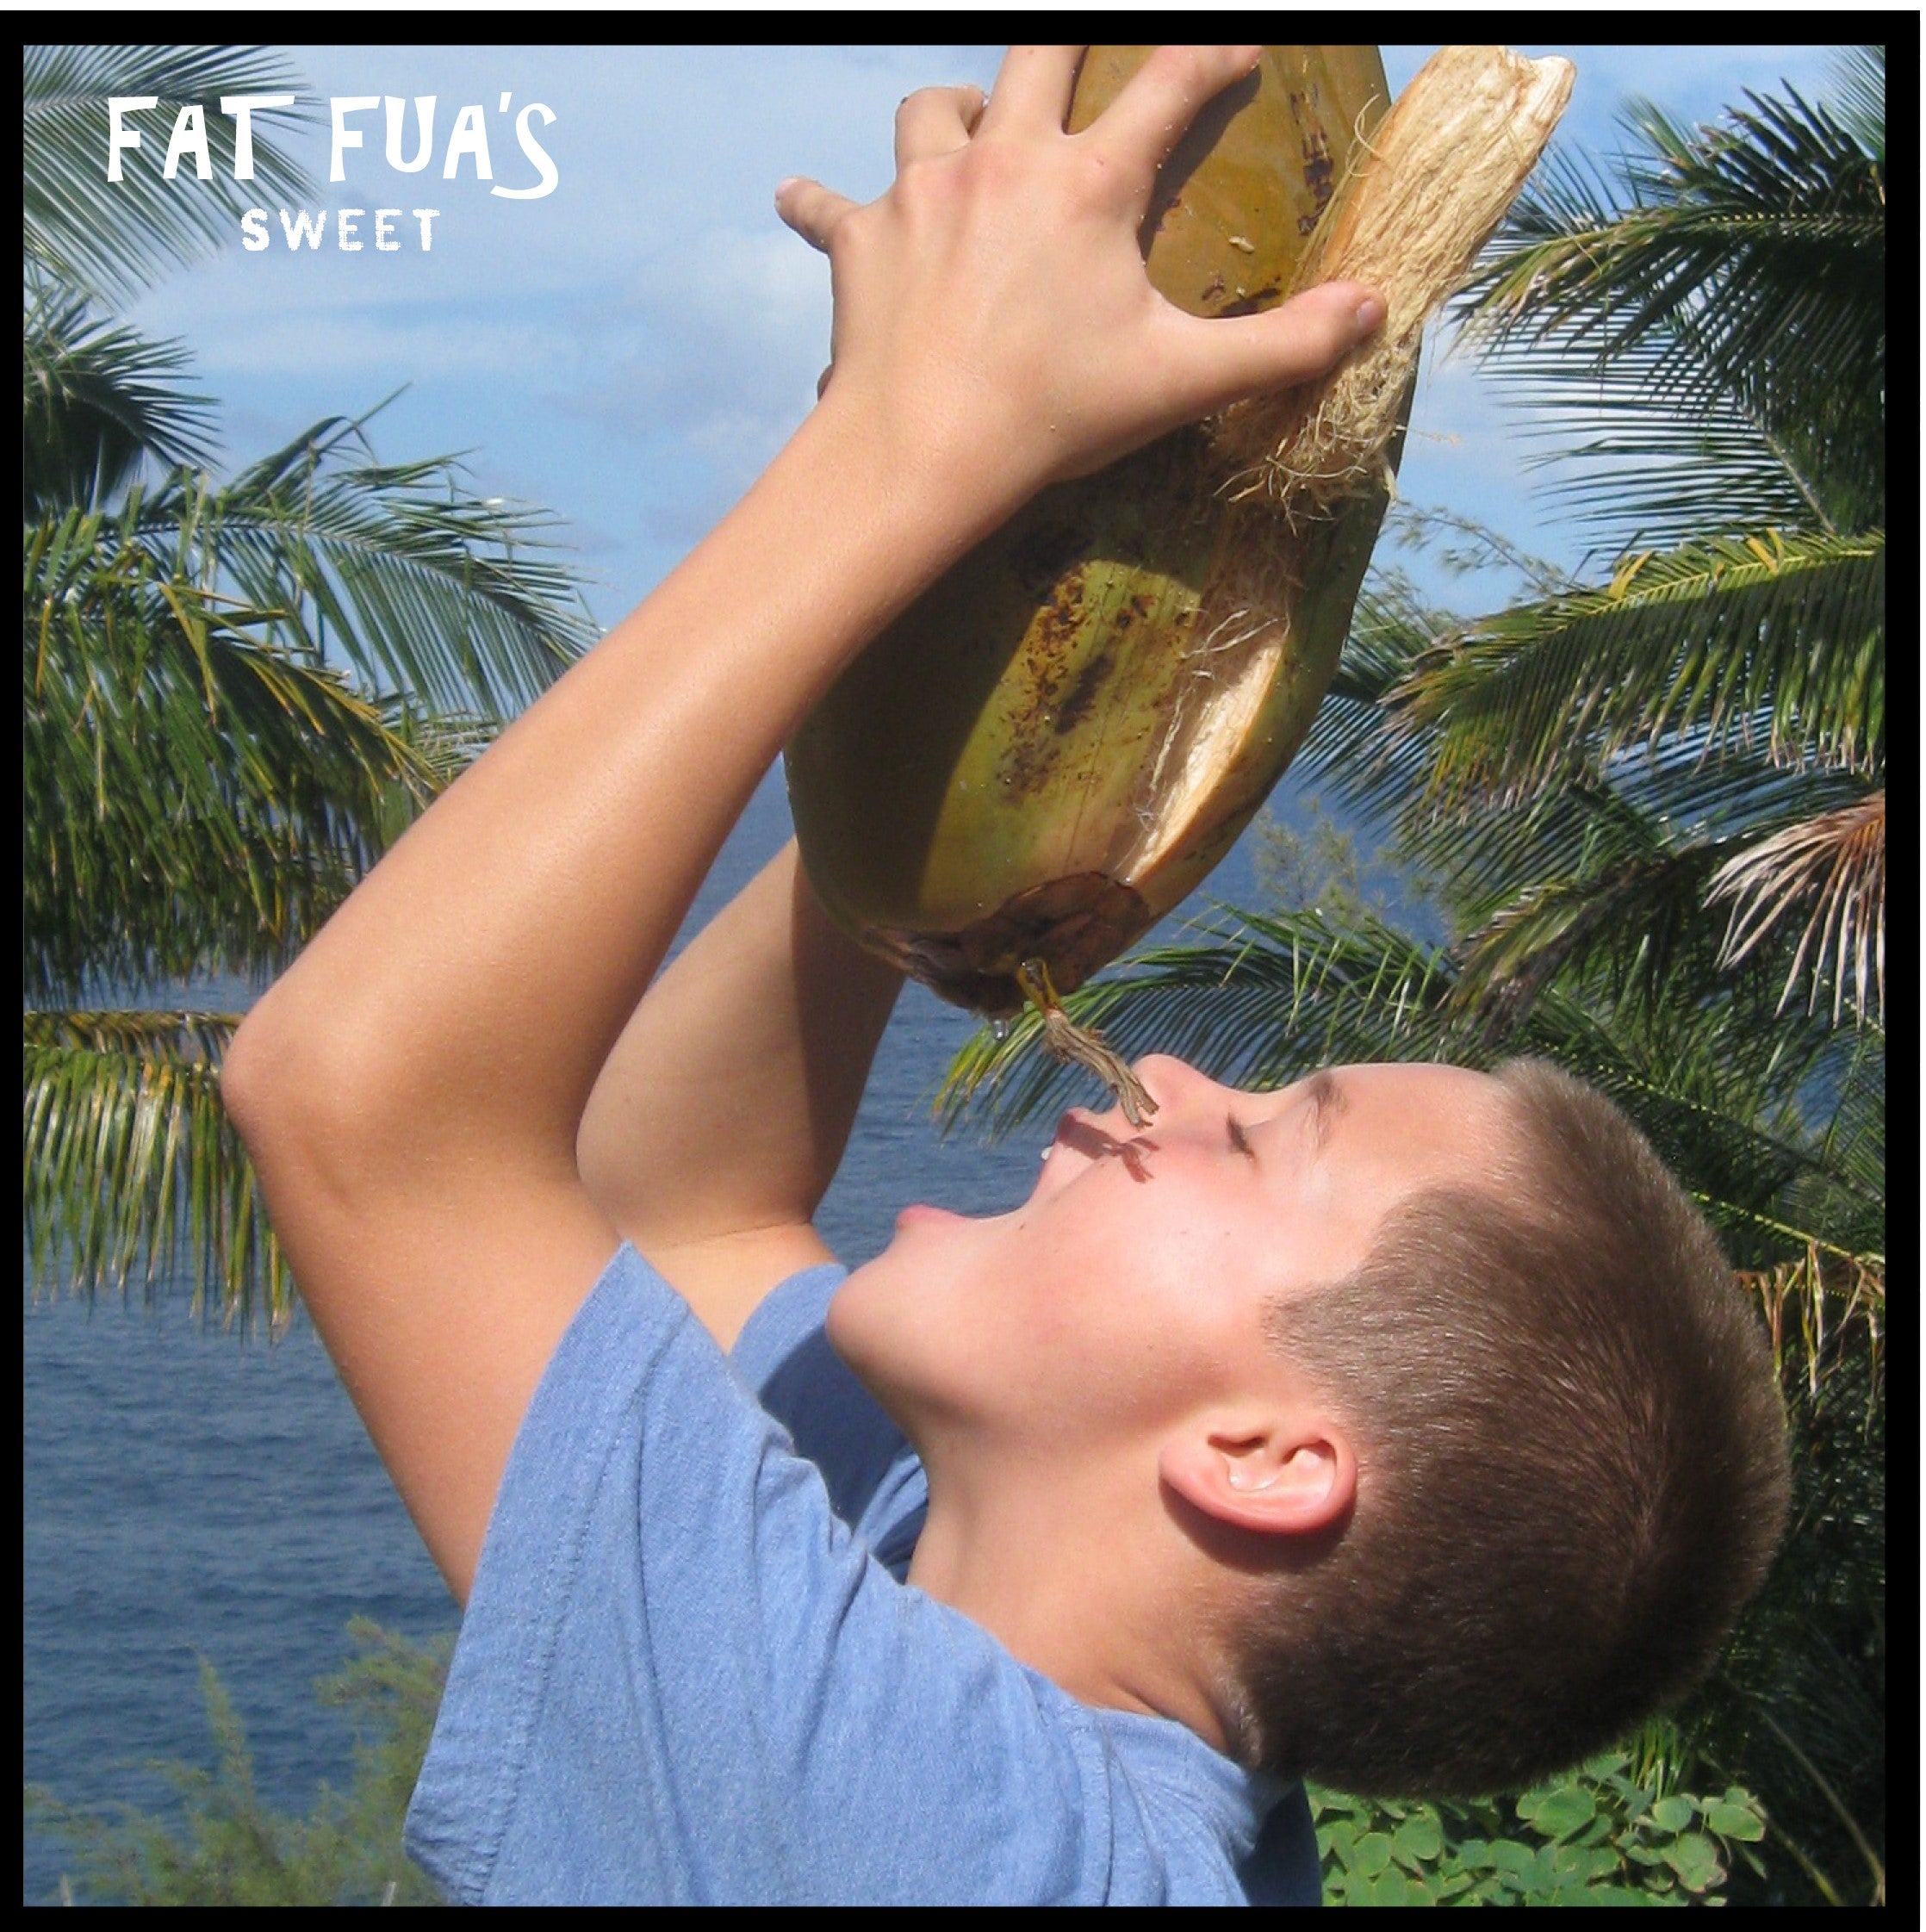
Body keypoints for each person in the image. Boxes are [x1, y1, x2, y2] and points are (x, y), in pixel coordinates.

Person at [221, 45, 1791, 1905]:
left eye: (1263, 1140)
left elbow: (365, 1104)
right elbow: (682, 1217)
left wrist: (909, 446)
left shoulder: (964, 1853)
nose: (1179, 1085)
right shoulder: (952, 1598)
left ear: (1267, 1453)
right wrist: (982, 715)